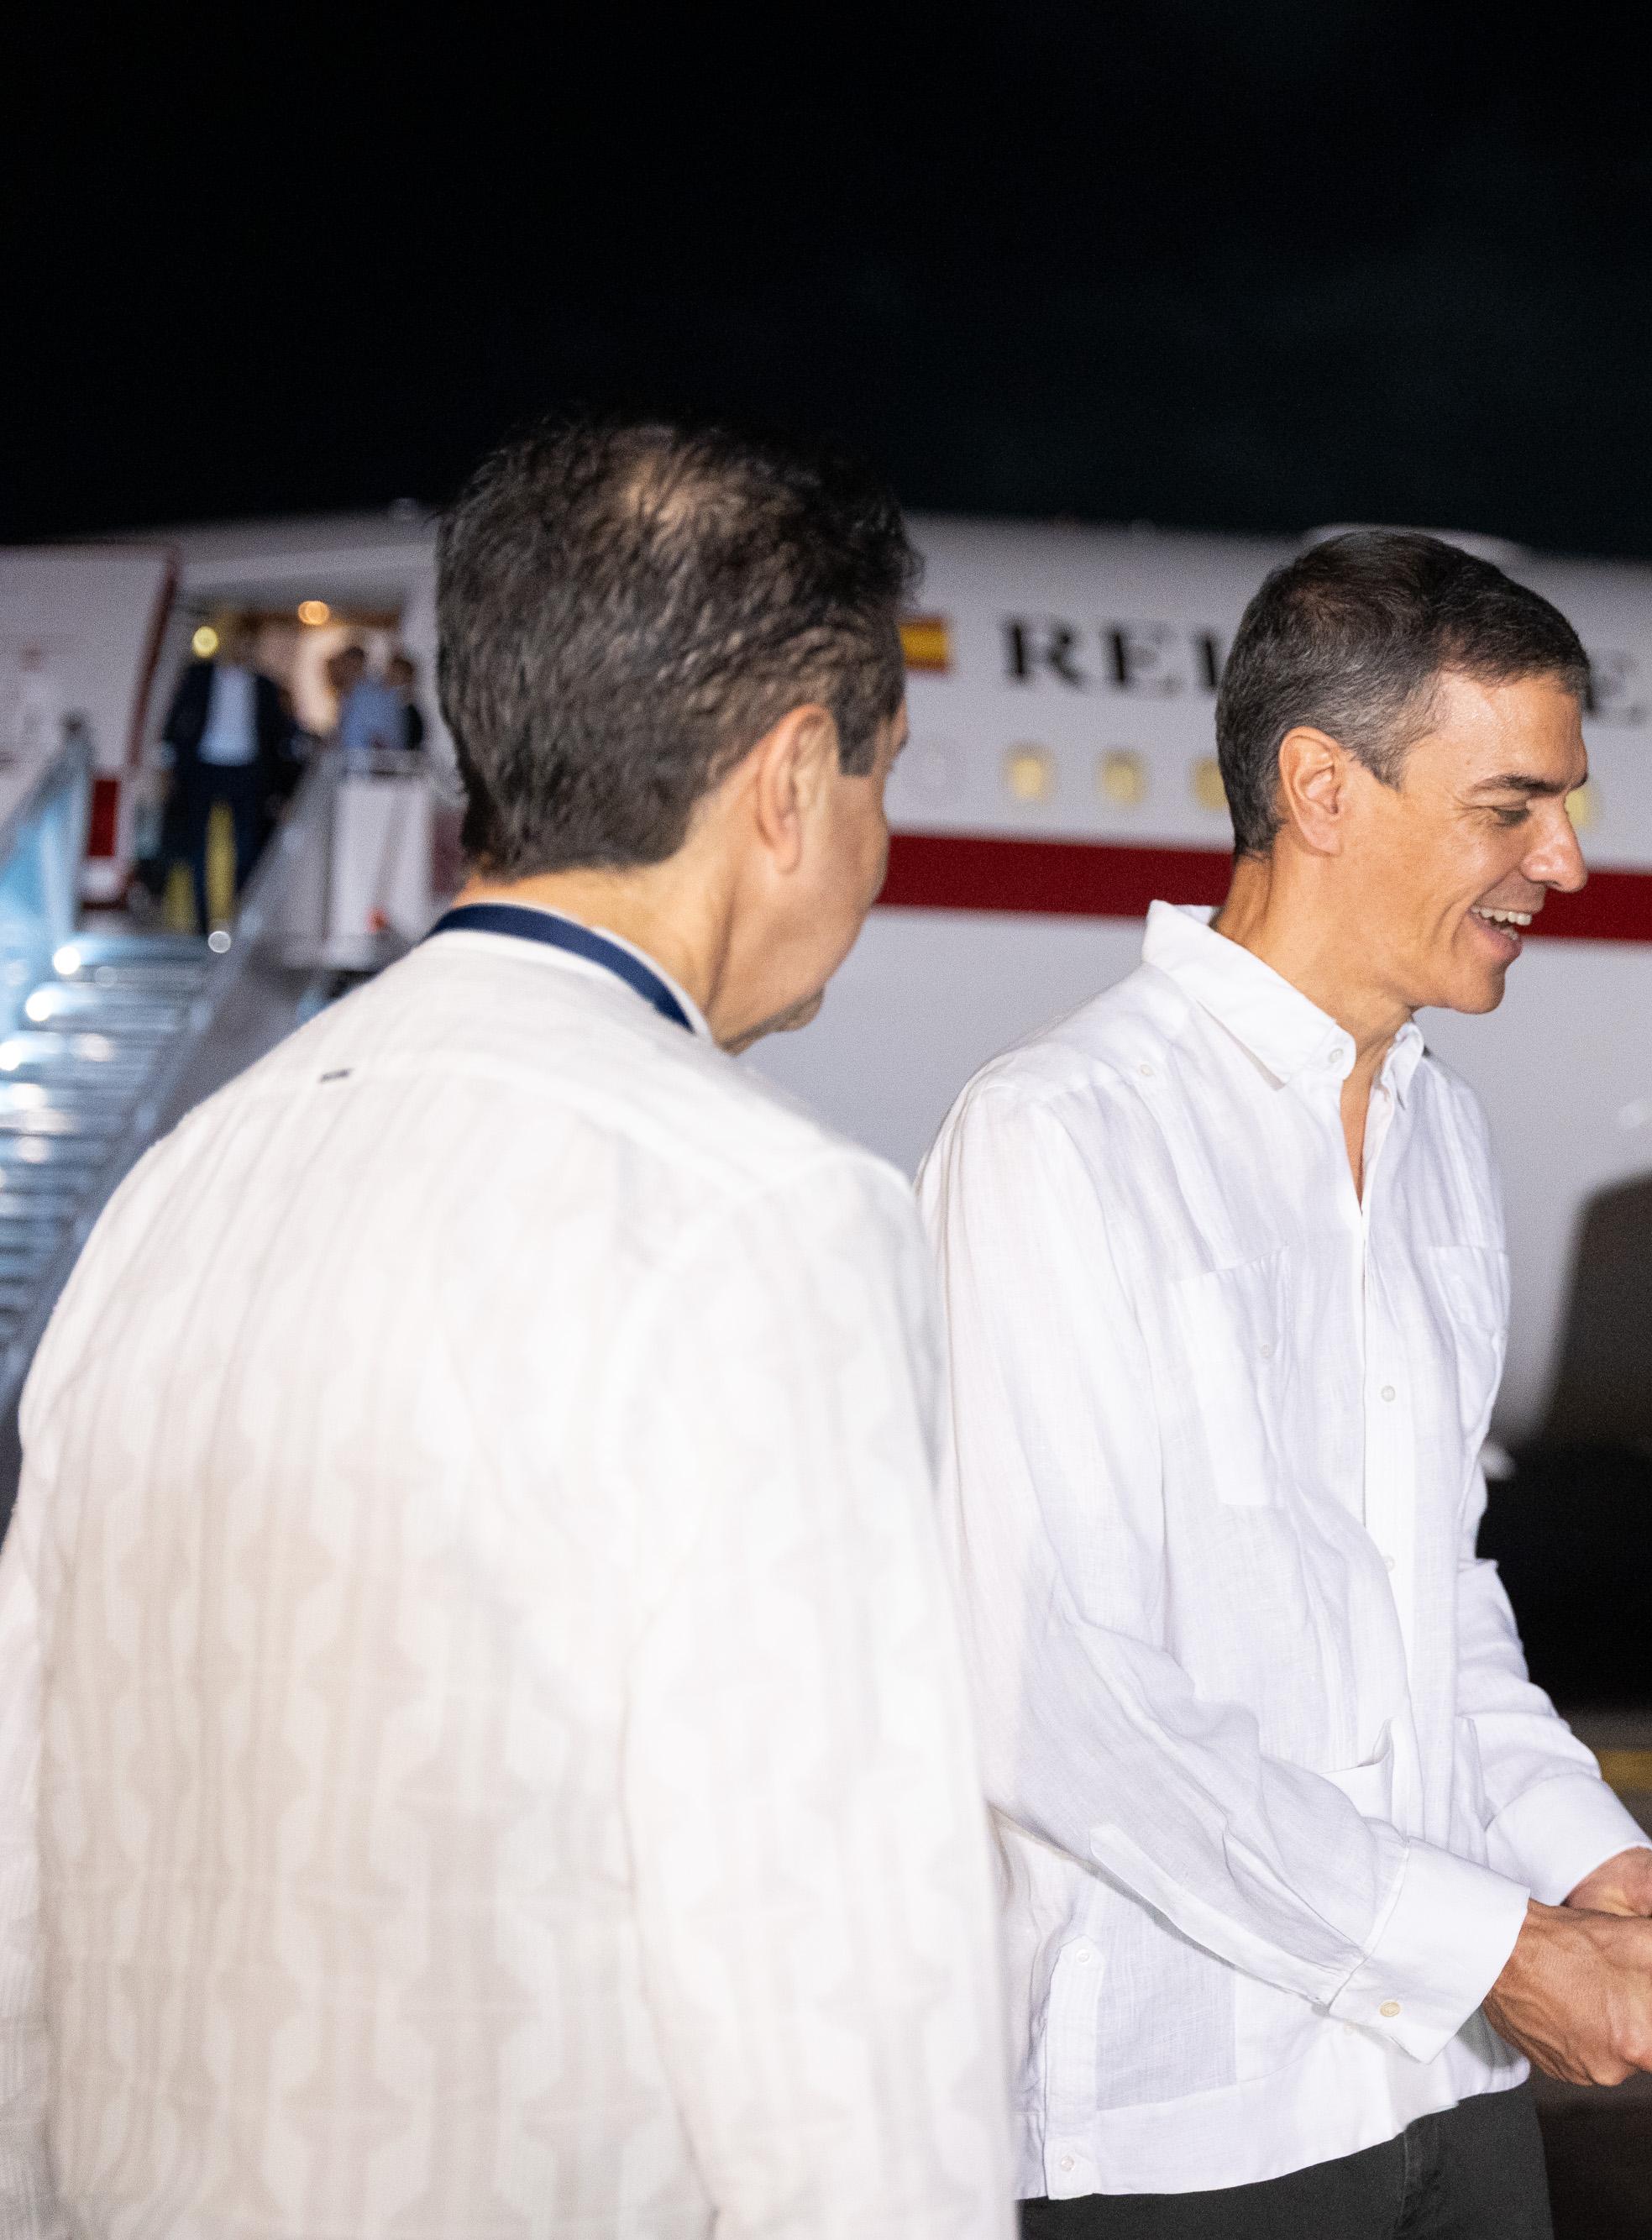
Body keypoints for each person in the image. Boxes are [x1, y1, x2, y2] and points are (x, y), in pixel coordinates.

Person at [0, 417, 1015, 2236]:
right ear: (790, 778)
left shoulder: (182, 1192)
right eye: (882, 778)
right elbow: (845, 1996)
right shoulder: (762, 1217)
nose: (876, 846)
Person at [922, 529, 1652, 2237]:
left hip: (1449, 2091)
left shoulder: (1438, 1133)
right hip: (1190, 2124)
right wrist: (1500, 1945)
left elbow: (1435, 1600)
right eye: (1510, 806)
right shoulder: (1060, 1137)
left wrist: (1587, 1861)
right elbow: (1055, 1699)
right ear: (1319, 785)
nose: (1566, 860)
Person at [150, 612, 301, 916]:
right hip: (204, 767)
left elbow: (278, 734)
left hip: (247, 771)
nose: (242, 650)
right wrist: (167, 763)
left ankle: (238, 914)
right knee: (198, 845)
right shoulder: (200, 676)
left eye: (249, 645)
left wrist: (283, 779)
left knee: (244, 847)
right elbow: (175, 720)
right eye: (237, 643)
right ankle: (203, 919)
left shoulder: (265, 685)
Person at [329, 637, 409, 764]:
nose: (348, 670)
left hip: (371, 766)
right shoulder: (346, 696)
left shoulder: (378, 692)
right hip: (347, 764)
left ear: (362, 664)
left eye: (353, 665)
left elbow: (388, 733)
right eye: (345, 666)